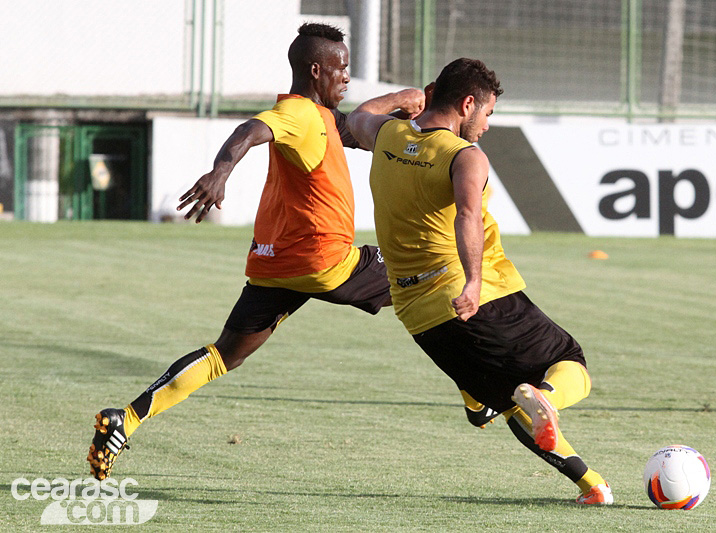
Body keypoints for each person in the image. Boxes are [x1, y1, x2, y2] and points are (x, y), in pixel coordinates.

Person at [86, 22, 426, 480]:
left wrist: (399, 102)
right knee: (429, 274)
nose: (347, 77)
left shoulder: (321, 117)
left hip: (275, 264)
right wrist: (220, 172)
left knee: (225, 354)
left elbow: (356, 129)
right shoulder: (300, 115)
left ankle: (123, 419)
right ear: (315, 70)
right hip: (325, 261)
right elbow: (251, 129)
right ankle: (479, 395)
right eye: (341, 69)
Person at [346, 58, 613, 505]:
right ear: (468, 104)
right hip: (474, 296)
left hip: (418, 315)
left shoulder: (389, 135)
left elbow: (356, 117)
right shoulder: (464, 156)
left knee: (510, 406)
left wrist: (403, 99)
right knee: (570, 362)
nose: (487, 125)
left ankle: (593, 486)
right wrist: (472, 283)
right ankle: (546, 395)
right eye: (487, 113)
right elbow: (467, 215)